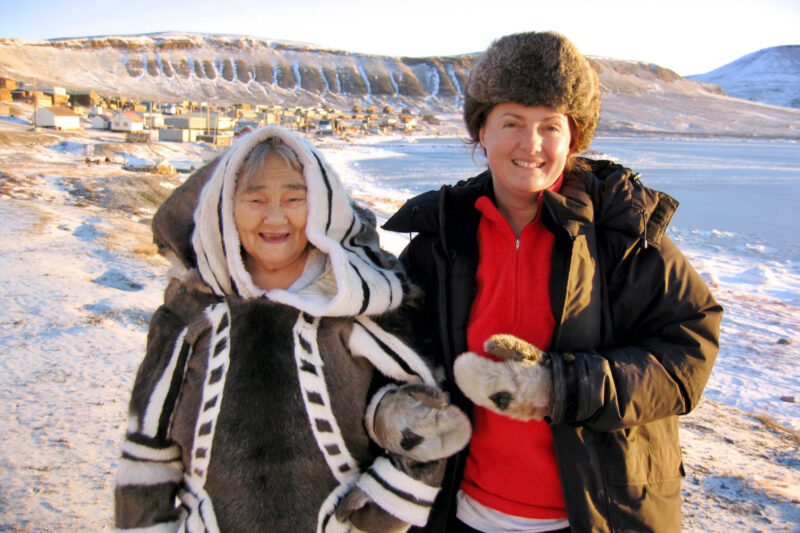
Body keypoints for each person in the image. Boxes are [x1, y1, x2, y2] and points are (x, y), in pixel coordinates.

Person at [383, 32, 723, 532]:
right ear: (482, 131)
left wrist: (560, 386)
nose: (531, 145)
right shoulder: (442, 237)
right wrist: (396, 409)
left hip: (600, 515)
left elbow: (688, 353)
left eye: (550, 126)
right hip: (463, 512)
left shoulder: (622, 232)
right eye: (512, 123)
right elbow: (394, 347)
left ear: (574, 137)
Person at [114, 126, 471, 532]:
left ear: (319, 204)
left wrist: (376, 518)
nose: (275, 216)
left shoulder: (361, 300)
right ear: (225, 206)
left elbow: (426, 416)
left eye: (294, 197)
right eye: (254, 197)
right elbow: (147, 446)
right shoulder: (191, 310)